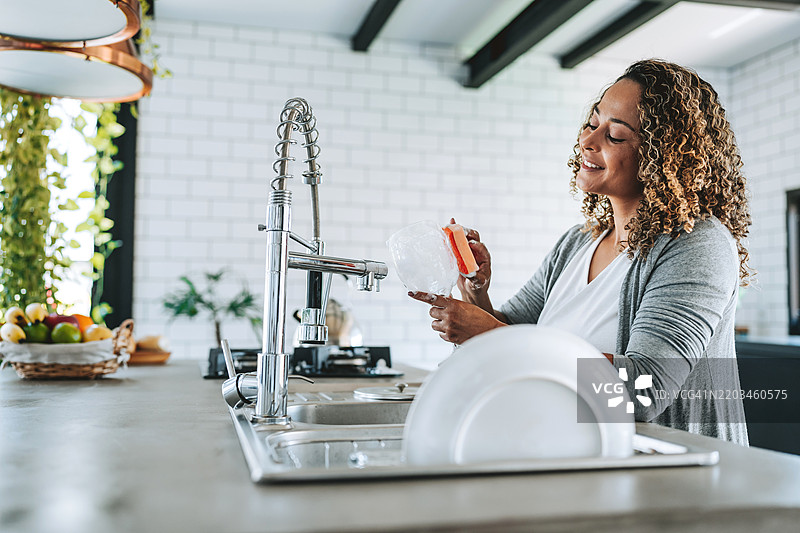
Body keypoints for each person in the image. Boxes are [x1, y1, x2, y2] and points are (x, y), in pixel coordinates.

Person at [409, 59, 751, 445]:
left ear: (665, 157)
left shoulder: (697, 244)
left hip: (674, 479)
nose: (588, 142)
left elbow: (645, 389)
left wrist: (488, 333)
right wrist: (475, 289)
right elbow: (514, 330)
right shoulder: (577, 242)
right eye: (592, 124)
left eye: (615, 136)